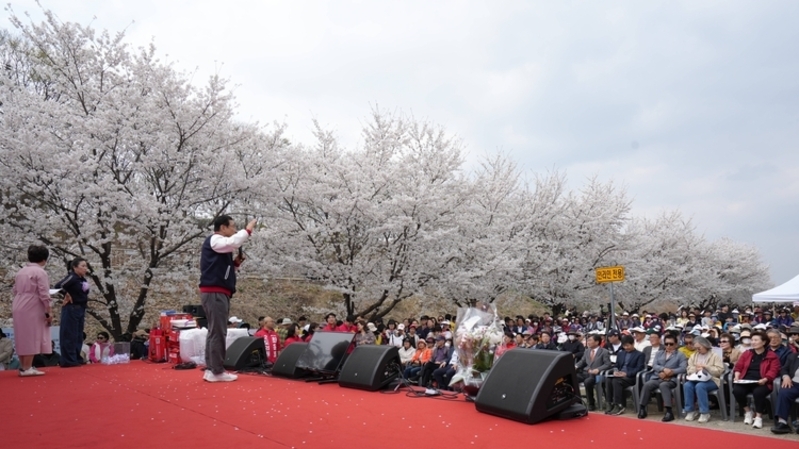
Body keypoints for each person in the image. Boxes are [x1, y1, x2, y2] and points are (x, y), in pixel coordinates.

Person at [199, 215, 256, 382]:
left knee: (214, 331)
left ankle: (212, 368)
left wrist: (235, 264)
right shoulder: (215, 240)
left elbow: (222, 267)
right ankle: (216, 370)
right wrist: (248, 229)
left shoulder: (218, 245)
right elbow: (233, 242)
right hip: (215, 292)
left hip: (215, 291)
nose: (234, 230)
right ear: (222, 228)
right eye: (232, 226)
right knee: (218, 331)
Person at [11, 245, 52, 376]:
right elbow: (44, 293)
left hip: (18, 302)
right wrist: (49, 310)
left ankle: (24, 366)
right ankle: (27, 367)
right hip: (32, 304)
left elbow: (15, 290)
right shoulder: (40, 272)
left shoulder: (21, 271)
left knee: (22, 335)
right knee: (32, 335)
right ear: (45, 259)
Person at [732, 331, 780, 429]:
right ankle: (748, 411)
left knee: (758, 393)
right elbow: (738, 367)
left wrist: (766, 379)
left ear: (763, 342)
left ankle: (758, 417)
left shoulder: (771, 356)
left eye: (756, 340)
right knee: (736, 390)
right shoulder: (747, 353)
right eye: (752, 340)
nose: (753, 342)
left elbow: (774, 370)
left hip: (762, 381)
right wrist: (737, 375)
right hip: (746, 380)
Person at [638, 334, 687, 421]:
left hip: (671, 379)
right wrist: (663, 369)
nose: (668, 346)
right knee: (647, 384)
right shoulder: (659, 353)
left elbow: (683, 368)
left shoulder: (680, 355)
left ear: (676, 344)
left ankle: (669, 411)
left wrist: (671, 372)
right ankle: (642, 408)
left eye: (671, 344)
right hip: (658, 376)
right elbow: (655, 365)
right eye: (666, 344)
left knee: (664, 385)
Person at [54, 257, 91, 368]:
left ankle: (76, 357)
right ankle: (68, 359)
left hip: (81, 308)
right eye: (82, 266)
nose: (85, 268)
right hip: (71, 308)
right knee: (70, 334)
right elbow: (58, 286)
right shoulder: (72, 278)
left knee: (78, 335)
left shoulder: (82, 279)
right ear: (75, 267)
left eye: (86, 266)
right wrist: (66, 293)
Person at [682, 335, 725, 423]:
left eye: (699, 348)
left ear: (705, 345)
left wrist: (707, 367)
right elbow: (689, 369)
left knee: (700, 386)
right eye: (696, 348)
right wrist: (695, 369)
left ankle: (704, 412)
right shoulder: (694, 356)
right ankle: (690, 411)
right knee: (687, 385)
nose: (698, 350)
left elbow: (720, 371)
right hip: (696, 378)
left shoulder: (714, 355)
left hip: (712, 379)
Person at [604, 335, 645, 415]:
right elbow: (616, 365)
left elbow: (639, 368)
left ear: (633, 344)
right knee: (608, 379)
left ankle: (619, 404)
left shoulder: (640, 355)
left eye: (627, 345)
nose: (626, 347)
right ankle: (610, 402)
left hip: (631, 377)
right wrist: (616, 371)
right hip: (620, 375)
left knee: (616, 381)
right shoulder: (621, 354)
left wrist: (626, 373)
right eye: (624, 346)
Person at [575, 334, 612, 411]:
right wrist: (575, 366)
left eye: (590, 340)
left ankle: (591, 403)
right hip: (586, 372)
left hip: (596, 374)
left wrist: (598, 369)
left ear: (597, 342)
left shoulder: (604, 352)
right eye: (588, 340)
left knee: (587, 382)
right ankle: (576, 401)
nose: (588, 342)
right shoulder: (587, 351)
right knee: (572, 378)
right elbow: (582, 362)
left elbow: (607, 364)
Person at [770, 344, 799, 434]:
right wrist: (786, 376)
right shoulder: (793, 356)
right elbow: (784, 369)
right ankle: (782, 423)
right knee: (784, 391)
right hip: (794, 383)